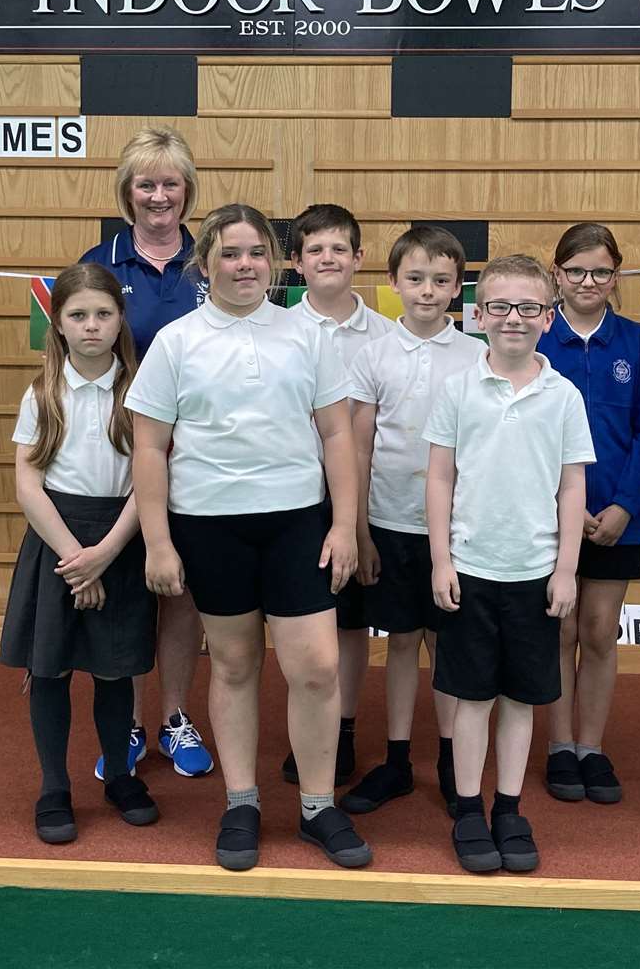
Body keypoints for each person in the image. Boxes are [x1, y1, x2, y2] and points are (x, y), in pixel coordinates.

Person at [125, 203, 372, 871]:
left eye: (256, 253)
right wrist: (157, 541)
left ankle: (319, 807)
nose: (244, 266)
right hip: (208, 525)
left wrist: (344, 526)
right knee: (233, 664)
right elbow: (149, 449)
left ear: (275, 262)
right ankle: (241, 804)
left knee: (316, 667)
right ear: (204, 264)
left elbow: (334, 434)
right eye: (229, 254)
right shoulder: (177, 341)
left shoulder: (305, 336)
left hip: (296, 522)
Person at [424, 255, 594, 874]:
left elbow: (572, 487)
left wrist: (566, 568)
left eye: (527, 308)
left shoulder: (565, 396)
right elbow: (440, 477)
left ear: (548, 318)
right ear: (477, 316)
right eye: (499, 306)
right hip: (470, 570)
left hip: (535, 573)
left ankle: (509, 807)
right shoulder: (456, 390)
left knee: (521, 700)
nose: (513, 318)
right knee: (471, 700)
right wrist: (441, 559)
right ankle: (468, 807)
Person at [1, 263, 160, 844]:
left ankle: (120, 774)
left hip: (120, 536)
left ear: (120, 320)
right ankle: (53, 786)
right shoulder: (42, 392)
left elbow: (151, 479)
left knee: (116, 670)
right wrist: (75, 558)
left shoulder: (141, 391)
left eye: (103, 314)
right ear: (59, 324)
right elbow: (27, 484)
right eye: (78, 315)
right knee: (51, 668)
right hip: (56, 542)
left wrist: (107, 552)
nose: (91, 326)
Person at [79, 126, 214, 781]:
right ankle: (126, 722)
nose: (158, 196)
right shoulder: (99, 264)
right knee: (130, 591)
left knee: (181, 591)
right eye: (145, 184)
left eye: (170, 183)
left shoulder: (213, 261)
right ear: (126, 192)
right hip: (120, 451)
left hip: (201, 454)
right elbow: (70, 359)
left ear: (187, 190)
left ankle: (176, 716)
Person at [341, 226, 483, 819]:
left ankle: (453, 760)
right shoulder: (372, 353)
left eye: (442, 281)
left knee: (447, 644)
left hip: (455, 531)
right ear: (393, 282)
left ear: (459, 286)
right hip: (389, 523)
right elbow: (361, 447)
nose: (428, 291)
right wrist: (360, 530)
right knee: (400, 642)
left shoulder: (477, 354)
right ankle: (397, 759)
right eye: (416, 279)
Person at [537, 223, 640, 806]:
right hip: (545, 517)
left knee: (597, 631)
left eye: (600, 272)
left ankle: (591, 747)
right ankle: (559, 747)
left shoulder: (636, 345)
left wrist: (624, 505)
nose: (588, 282)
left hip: (617, 519)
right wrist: (554, 508)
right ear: (556, 275)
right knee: (558, 629)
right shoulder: (535, 338)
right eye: (576, 271)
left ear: (616, 277)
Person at [281, 203, 391, 788]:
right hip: (293, 497)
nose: (328, 259)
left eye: (339, 249)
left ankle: (341, 730)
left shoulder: (386, 334)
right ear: (295, 262)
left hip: (363, 498)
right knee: (299, 621)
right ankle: (305, 729)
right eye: (314, 249)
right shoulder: (277, 329)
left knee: (349, 622)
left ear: (359, 259)